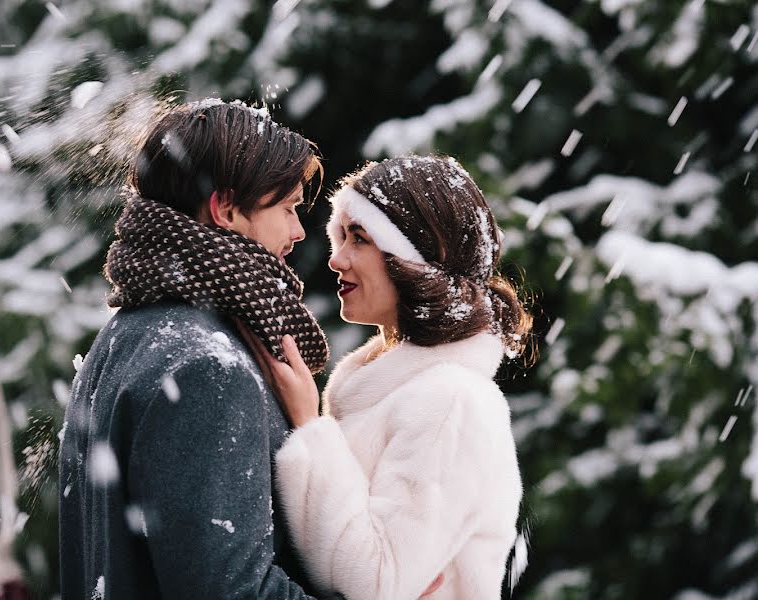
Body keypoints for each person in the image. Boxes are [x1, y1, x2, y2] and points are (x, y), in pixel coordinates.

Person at [58, 99, 344, 599]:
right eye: (288, 208)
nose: (299, 232)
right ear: (226, 209)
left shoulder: (121, 340)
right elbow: (231, 591)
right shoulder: (207, 368)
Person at [249, 155, 532, 600]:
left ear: (416, 258)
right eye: (339, 236)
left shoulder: (450, 401)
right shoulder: (394, 390)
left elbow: (376, 582)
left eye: (358, 238)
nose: (336, 259)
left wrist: (309, 426)